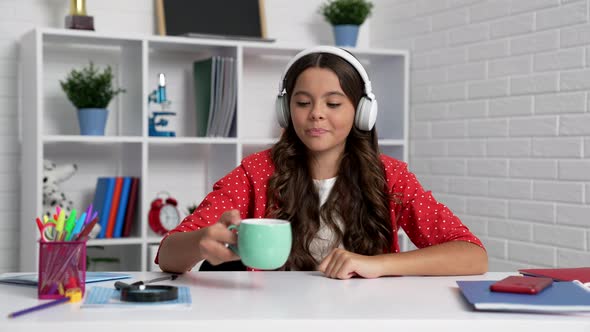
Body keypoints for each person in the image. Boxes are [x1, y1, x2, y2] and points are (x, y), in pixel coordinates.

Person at [157, 46, 488, 279]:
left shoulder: (391, 176)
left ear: (361, 112)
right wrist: (200, 243)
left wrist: (381, 264)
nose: (316, 113)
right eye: (303, 102)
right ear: (286, 111)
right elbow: (168, 255)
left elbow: (472, 255)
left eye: (333, 103)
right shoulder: (255, 172)